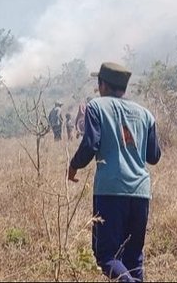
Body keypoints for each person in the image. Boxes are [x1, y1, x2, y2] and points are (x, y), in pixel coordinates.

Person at [68, 62, 161, 282]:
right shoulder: (146, 114)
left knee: (107, 256)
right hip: (140, 192)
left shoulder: (96, 107)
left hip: (111, 191)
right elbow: (154, 156)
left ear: (103, 84)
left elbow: (90, 145)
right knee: (133, 257)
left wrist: (73, 166)